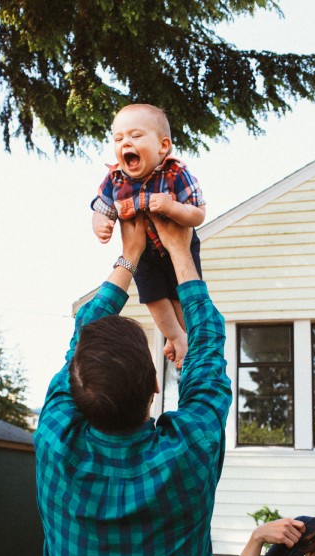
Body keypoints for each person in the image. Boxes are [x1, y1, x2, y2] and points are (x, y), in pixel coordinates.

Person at [33, 212, 231, 556]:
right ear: (156, 389)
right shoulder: (190, 452)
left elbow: (78, 345)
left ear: (76, 389)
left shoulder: (54, 445)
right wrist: (180, 253)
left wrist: (130, 255)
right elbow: (206, 358)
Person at [91, 103, 206, 369]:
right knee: (153, 295)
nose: (125, 143)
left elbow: (198, 213)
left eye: (135, 136)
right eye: (118, 138)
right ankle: (175, 336)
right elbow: (101, 208)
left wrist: (173, 208)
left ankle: (184, 338)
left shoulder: (176, 173)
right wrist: (101, 224)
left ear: (163, 146)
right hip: (143, 252)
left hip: (180, 245)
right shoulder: (115, 179)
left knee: (181, 293)